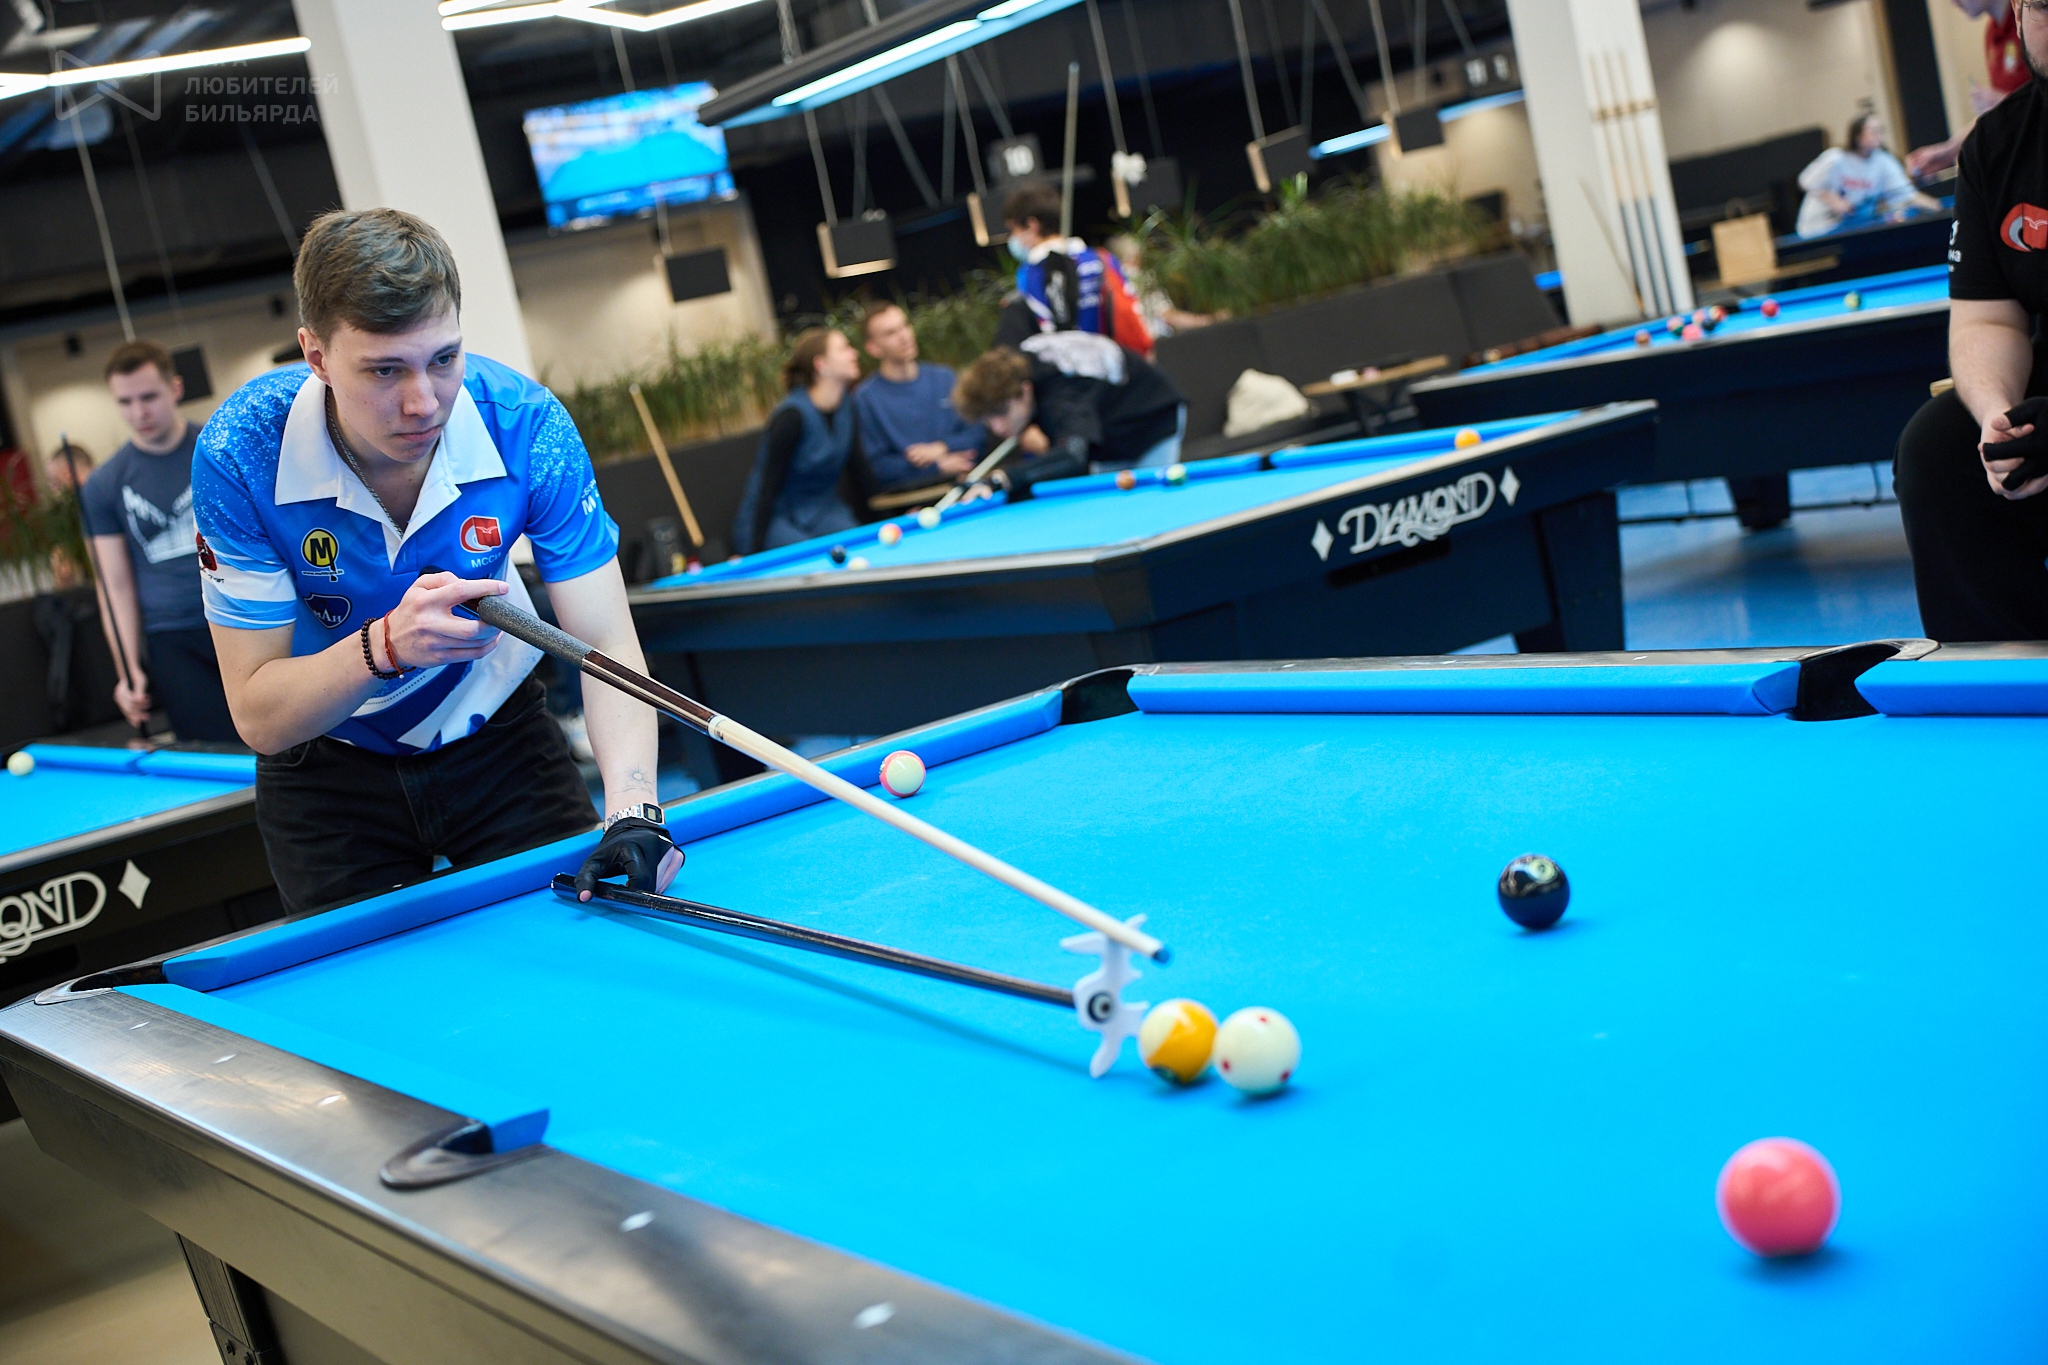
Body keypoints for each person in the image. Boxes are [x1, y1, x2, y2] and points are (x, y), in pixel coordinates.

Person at [192, 208, 677, 913]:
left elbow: (605, 644)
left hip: (502, 740)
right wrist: (385, 646)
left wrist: (634, 807)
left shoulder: (526, 425)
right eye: (385, 369)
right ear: (316, 356)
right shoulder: (243, 451)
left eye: (443, 359)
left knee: (581, 946)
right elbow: (258, 715)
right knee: (361, 987)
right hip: (325, 768)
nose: (423, 402)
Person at [1895, 0, 2048, 640]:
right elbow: (1988, 322)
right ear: (2018, 11)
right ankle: (2010, 677)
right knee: (1937, 448)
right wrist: (1998, 419)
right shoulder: (1998, 145)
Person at [76, 343, 238, 741]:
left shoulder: (221, 450)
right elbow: (114, 585)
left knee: (285, 744)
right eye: (125, 402)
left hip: (242, 613)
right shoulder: (103, 484)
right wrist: (128, 669)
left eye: (148, 397)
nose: (139, 413)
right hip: (172, 636)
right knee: (209, 753)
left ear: (175, 388)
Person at [950, 334, 1185, 499]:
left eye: (1001, 412)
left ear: (1025, 391)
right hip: (1108, 428)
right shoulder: (1021, 369)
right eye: (987, 418)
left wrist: (1003, 478)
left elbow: (1073, 455)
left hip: (1151, 419)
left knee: (1148, 505)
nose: (997, 427)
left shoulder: (1060, 396)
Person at [732, 327, 874, 555]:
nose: (854, 353)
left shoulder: (847, 407)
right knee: (810, 558)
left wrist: (887, 519)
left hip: (825, 511)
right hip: (777, 517)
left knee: (861, 549)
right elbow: (766, 488)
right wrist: (752, 551)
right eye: (844, 349)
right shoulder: (790, 417)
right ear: (821, 364)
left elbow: (860, 472)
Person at [995, 183, 1154, 357]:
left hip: (1070, 369)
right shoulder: (1102, 259)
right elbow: (1133, 311)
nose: (1014, 238)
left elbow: (1041, 335)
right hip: (1116, 362)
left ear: (1032, 225)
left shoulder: (1030, 274)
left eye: (1013, 230)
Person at [852, 304, 983, 491]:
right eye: (891, 333)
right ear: (873, 348)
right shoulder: (866, 399)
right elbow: (876, 466)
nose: (904, 336)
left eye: (905, 325)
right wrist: (935, 467)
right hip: (912, 497)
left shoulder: (945, 378)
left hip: (968, 483)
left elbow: (977, 431)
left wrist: (941, 448)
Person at [1909, 0, 2030, 178]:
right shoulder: (1992, 33)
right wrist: (1948, 151)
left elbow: (2010, 106)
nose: (1953, 2)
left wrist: (2007, 103)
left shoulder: (2033, 19)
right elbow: (1998, 112)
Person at [1794, 114, 1941, 239]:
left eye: (1880, 130)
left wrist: (1936, 207)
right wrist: (1834, 201)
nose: (1879, 135)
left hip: (1852, 229)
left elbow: (1905, 193)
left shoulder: (1883, 161)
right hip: (1818, 228)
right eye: (1873, 131)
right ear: (1858, 136)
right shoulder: (1836, 158)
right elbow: (1805, 181)